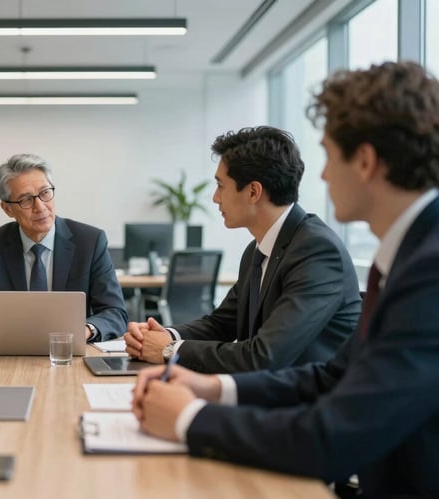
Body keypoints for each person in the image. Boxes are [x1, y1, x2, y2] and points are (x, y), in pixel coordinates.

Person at [132, 61, 439, 497]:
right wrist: (210, 387)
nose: (325, 174)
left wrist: (189, 418)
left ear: (366, 161)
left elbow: (335, 434)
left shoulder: (427, 270)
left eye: (330, 156)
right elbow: (330, 378)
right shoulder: (407, 255)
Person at [124, 126, 361, 373]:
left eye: (220, 185)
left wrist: (169, 350)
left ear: (253, 191)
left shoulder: (316, 251)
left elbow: (264, 356)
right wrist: (162, 336)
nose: (215, 198)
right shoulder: (257, 250)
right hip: (266, 393)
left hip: (305, 404)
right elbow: (221, 324)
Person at [0, 153, 127, 342]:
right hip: (10, 353)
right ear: (7, 209)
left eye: (45, 193)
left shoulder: (90, 241)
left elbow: (114, 311)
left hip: (69, 353)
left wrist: (82, 332)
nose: (40, 207)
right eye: (26, 200)